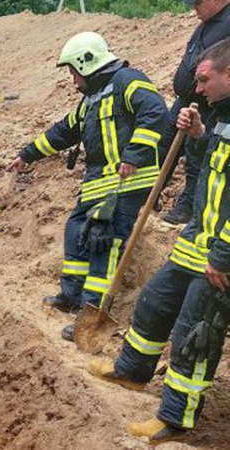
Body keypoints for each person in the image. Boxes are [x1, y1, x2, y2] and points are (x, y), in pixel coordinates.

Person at [86, 37, 230, 444]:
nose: (197, 88)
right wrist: (200, 134)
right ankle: (131, 370)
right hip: (198, 239)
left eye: (204, 79)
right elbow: (214, 165)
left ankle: (175, 417)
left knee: (195, 334)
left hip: (222, 254)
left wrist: (223, 256)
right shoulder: (222, 114)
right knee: (154, 301)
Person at [5, 32, 167, 340]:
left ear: (86, 63)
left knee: (104, 242)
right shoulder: (91, 98)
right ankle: (72, 295)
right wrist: (26, 155)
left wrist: (133, 155)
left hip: (126, 183)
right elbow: (64, 132)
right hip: (99, 184)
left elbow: (155, 112)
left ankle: (92, 315)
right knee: (75, 230)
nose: (72, 79)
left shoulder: (127, 81)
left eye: (73, 71)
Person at [160, 0, 230, 224]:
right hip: (187, 99)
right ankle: (146, 193)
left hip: (211, 102)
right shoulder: (207, 24)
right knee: (163, 146)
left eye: (198, 2)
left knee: (197, 152)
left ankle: (189, 206)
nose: (194, 8)